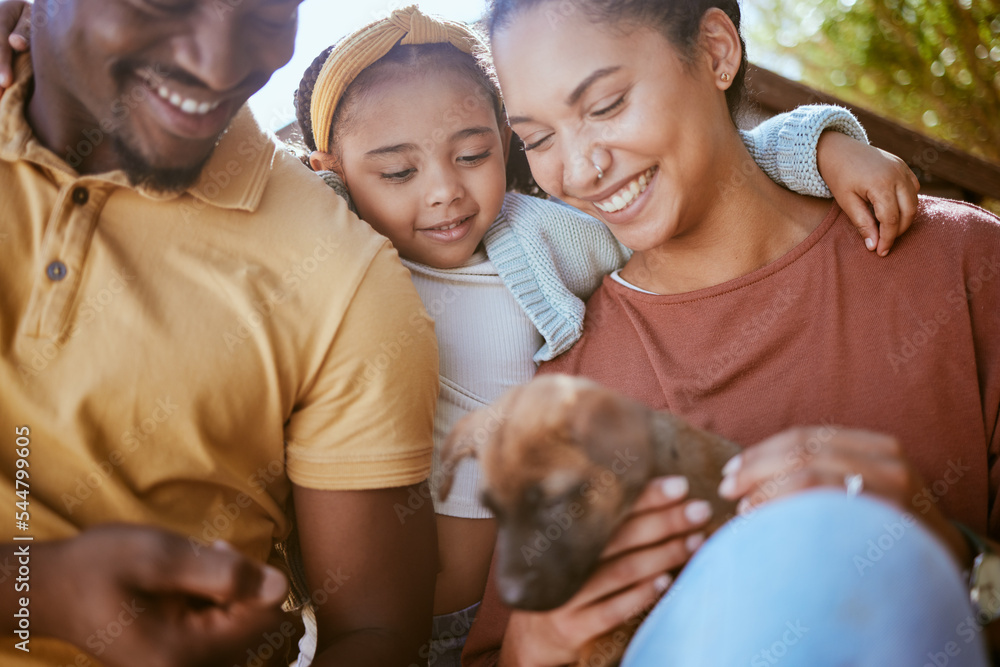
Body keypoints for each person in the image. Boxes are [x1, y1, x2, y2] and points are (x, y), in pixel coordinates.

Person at [291, 6, 922, 665]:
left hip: (517, 605)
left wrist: (826, 148)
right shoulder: (338, 256)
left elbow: (708, 177)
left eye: (475, 154)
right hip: (372, 625)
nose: (446, 191)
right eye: (397, 173)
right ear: (334, 172)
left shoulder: (539, 236)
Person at [461, 0, 1000, 664]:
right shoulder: (569, 390)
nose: (577, 169)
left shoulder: (964, 267)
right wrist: (533, 646)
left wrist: (951, 558)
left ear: (716, 52)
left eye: (604, 105)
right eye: (538, 139)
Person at [0, 1, 439, 666]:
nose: (220, 64)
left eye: (267, 11)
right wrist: (40, 588)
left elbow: (377, 632)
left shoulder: (341, 273)